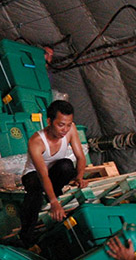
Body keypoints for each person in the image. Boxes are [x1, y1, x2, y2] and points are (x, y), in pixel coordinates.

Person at [18, 99, 88, 246]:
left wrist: (80, 177)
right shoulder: (36, 141)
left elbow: (80, 157)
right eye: (61, 125)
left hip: (55, 173)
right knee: (35, 190)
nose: (65, 129)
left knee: (67, 166)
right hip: (35, 175)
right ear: (49, 121)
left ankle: (53, 192)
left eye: (68, 125)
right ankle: (26, 236)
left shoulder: (71, 129)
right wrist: (54, 202)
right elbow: (43, 175)